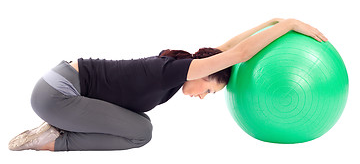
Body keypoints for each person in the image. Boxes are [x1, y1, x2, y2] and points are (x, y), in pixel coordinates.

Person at [8, 18, 327, 152]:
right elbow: (239, 54)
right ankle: (49, 141)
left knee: (140, 123)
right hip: (57, 94)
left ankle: (55, 129)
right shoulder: (176, 72)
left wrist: (270, 21)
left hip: (59, 87)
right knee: (140, 133)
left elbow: (225, 49)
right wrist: (290, 24)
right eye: (209, 91)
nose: (202, 97)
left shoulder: (176, 73)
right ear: (204, 75)